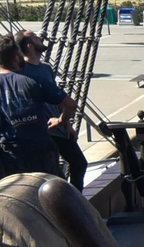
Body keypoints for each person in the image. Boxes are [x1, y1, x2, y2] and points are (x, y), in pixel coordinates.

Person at [0, 34, 75, 181]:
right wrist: (61, 121)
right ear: (17, 57)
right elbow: (71, 105)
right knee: (51, 191)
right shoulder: (35, 81)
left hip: (12, 155)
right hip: (41, 149)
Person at [15, 30, 89, 190]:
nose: (40, 37)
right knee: (52, 174)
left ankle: (76, 200)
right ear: (30, 46)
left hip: (59, 127)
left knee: (80, 163)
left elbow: (59, 98)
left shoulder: (46, 68)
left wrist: (67, 124)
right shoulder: (21, 70)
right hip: (43, 130)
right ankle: (61, 205)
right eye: (35, 36)